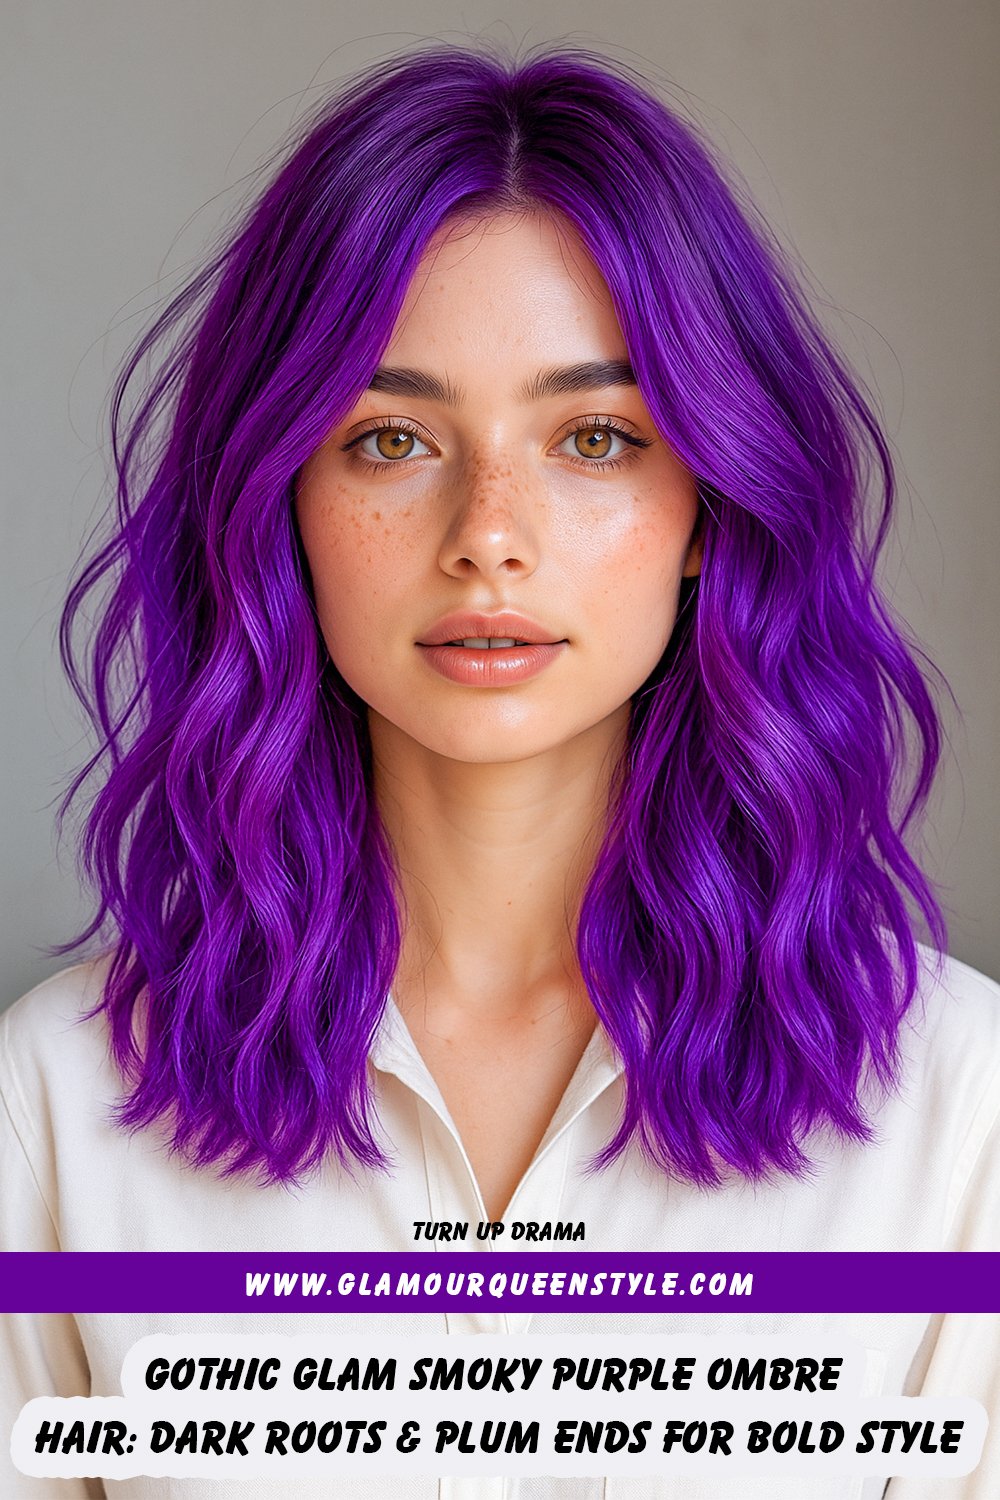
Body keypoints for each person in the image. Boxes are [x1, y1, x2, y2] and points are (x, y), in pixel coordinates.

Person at [1, 43, 997, 1500]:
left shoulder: (959, 1108)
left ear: (712, 505)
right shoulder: (57, 1101)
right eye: (392, 439)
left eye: (596, 438)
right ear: (276, 498)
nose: (491, 533)